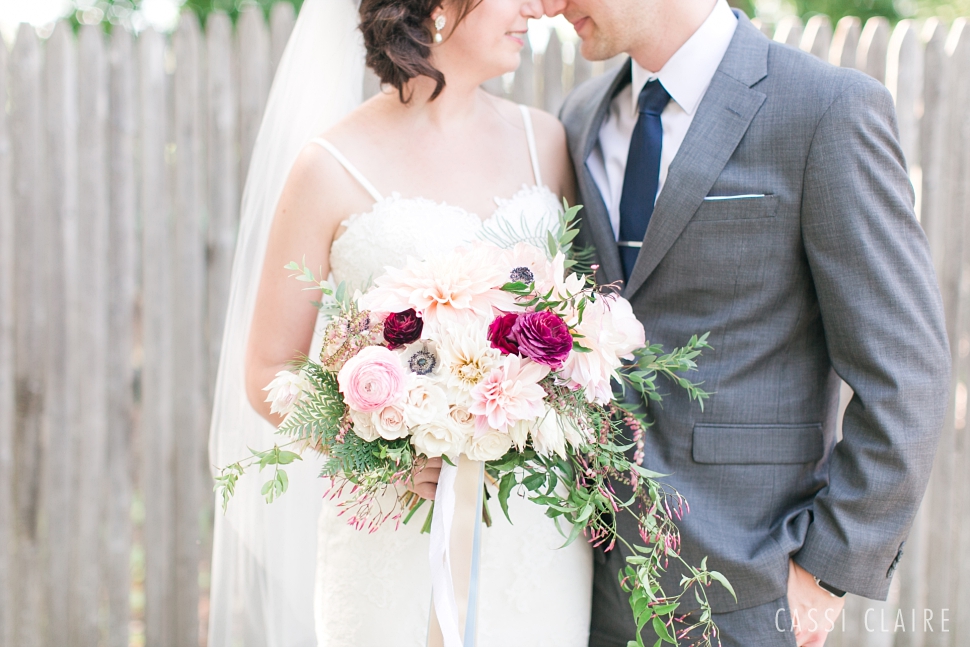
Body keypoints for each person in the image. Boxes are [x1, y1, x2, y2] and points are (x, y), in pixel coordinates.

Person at [546, 0, 951, 645]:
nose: (546, 5)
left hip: (750, 587)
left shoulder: (825, 110)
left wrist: (824, 575)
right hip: (586, 585)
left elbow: (908, 377)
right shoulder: (578, 119)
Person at [211, 0, 593, 645]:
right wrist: (385, 441)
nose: (536, 5)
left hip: (532, 528)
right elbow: (268, 367)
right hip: (394, 526)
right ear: (437, 8)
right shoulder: (328, 165)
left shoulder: (546, 141)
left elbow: (572, 324)